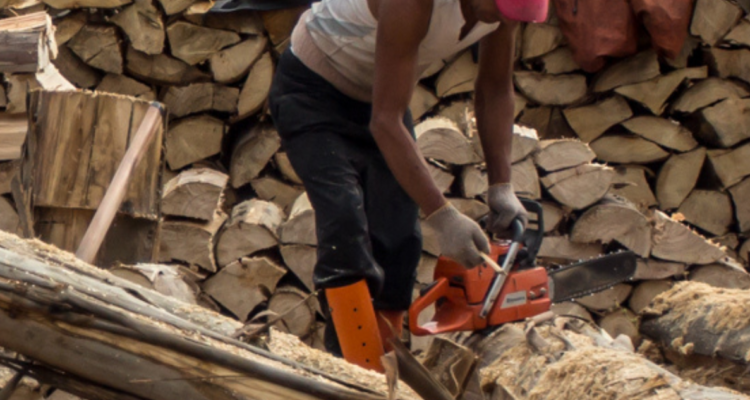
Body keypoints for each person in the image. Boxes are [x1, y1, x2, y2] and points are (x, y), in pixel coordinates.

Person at [268, 0, 546, 372]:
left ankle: (384, 370)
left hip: (380, 98)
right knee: (346, 226)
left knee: (399, 238)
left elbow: (496, 88)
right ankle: (353, 371)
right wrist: (444, 218)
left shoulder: (504, 11)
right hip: (313, 91)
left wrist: (501, 185)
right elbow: (385, 121)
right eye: (500, 10)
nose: (501, 20)